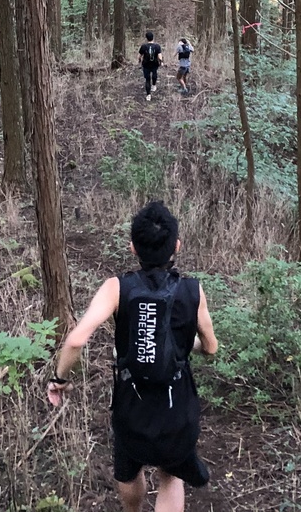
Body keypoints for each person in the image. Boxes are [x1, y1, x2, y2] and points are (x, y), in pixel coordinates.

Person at [47, 201, 218, 512]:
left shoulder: (117, 288)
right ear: (176, 245)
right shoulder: (194, 291)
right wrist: (188, 344)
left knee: (128, 468)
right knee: (171, 474)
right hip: (176, 404)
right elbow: (211, 348)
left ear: (132, 248)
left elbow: (76, 339)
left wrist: (59, 379)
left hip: (131, 405)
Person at [137, 31, 163, 101]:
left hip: (146, 64)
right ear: (153, 38)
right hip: (154, 63)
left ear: (146, 38)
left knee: (147, 79)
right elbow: (160, 56)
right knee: (154, 73)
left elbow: (139, 56)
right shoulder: (157, 46)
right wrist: (161, 62)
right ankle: (154, 85)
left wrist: (139, 61)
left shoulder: (143, 46)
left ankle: (148, 95)